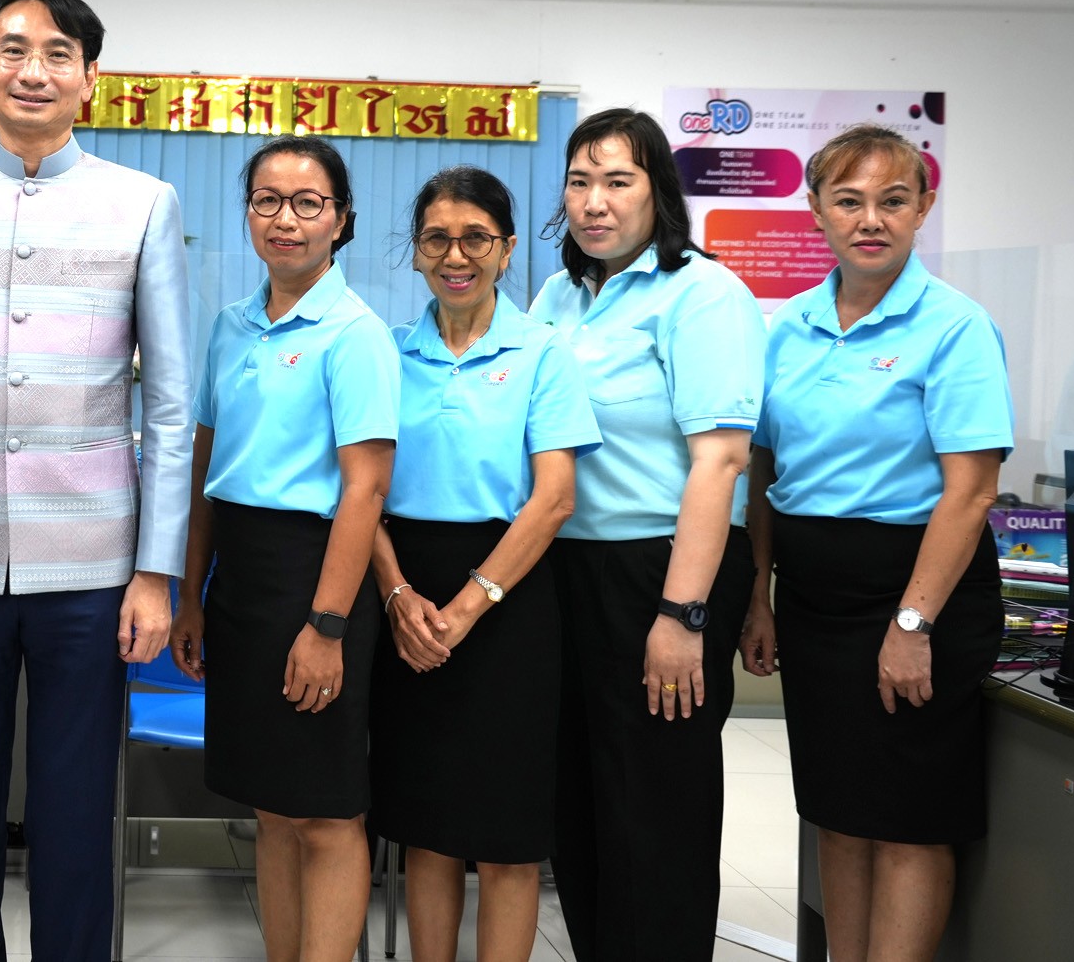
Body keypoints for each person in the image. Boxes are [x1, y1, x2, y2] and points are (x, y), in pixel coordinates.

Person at [0, 0, 192, 962]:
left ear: (90, 79)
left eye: (58, 53)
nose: (33, 70)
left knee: (74, 812)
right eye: (12, 49)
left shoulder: (142, 204)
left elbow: (168, 404)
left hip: (93, 568)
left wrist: (154, 571)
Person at [739, 124, 1010, 962]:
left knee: (907, 821)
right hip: (814, 603)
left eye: (892, 200)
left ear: (922, 208)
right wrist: (759, 595)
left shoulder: (955, 326)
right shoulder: (788, 327)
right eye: (849, 200)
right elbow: (764, 467)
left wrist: (912, 624)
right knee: (839, 812)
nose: (870, 219)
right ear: (816, 209)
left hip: (918, 597)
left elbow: (971, 490)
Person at [527, 107, 766, 962]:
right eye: (579, 181)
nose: (594, 202)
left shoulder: (703, 294)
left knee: (654, 806)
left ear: (657, 191)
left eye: (617, 181)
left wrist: (681, 614)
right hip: (565, 567)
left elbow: (721, 460)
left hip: (662, 570)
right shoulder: (558, 295)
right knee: (581, 802)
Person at [171, 136, 399, 962]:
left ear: (341, 218)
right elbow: (206, 470)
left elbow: (365, 491)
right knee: (269, 806)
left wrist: (327, 625)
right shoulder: (231, 327)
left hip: (315, 579)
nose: (286, 219)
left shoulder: (355, 333)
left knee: (327, 813)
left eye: (308, 202)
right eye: (267, 199)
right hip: (240, 580)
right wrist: (191, 594)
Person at [368, 166, 599, 962]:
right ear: (415, 250)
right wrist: (397, 595)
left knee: (506, 836)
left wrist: (466, 607)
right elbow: (361, 490)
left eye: (476, 238)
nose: (455, 255)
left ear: (506, 249)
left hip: (509, 601)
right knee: (427, 826)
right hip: (405, 598)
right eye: (437, 238)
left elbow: (554, 498)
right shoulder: (387, 352)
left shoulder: (543, 352)